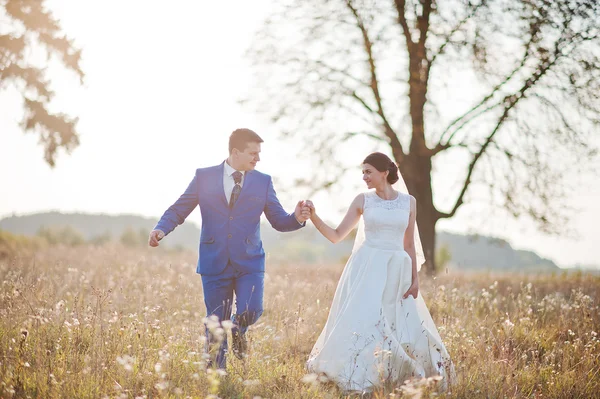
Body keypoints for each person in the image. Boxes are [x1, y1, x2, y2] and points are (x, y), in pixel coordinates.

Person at [148, 128, 310, 369]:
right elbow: (179, 208)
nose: (258, 158)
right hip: (214, 261)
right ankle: (216, 376)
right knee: (215, 323)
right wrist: (161, 228)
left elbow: (278, 220)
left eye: (259, 153)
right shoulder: (204, 177)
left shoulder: (263, 181)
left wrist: (296, 218)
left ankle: (239, 328)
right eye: (253, 153)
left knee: (251, 309)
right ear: (235, 152)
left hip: (250, 262)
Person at [305, 152, 454, 392]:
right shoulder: (363, 200)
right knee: (365, 320)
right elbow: (336, 236)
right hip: (366, 268)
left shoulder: (409, 202)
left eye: (368, 171)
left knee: (399, 323)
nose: (364, 177)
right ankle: (359, 373)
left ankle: (398, 373)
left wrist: (415, 280)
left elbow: (409, 245)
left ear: (384, 172)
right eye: (362, 172)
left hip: (397, 269)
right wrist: (314, 216)